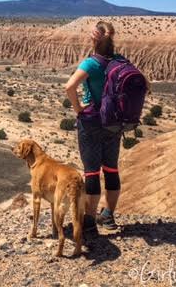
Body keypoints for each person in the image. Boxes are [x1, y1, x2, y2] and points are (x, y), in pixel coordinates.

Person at [64, 21, 120, 233]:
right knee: (112, 169)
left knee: (92, 172)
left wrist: (78, 108)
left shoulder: (91, 63)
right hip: (114, 123)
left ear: (94, 39)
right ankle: (108, 215)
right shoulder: (120, 61)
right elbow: (146, 84)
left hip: (92, 122)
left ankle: (89, 220)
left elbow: (69, 86)